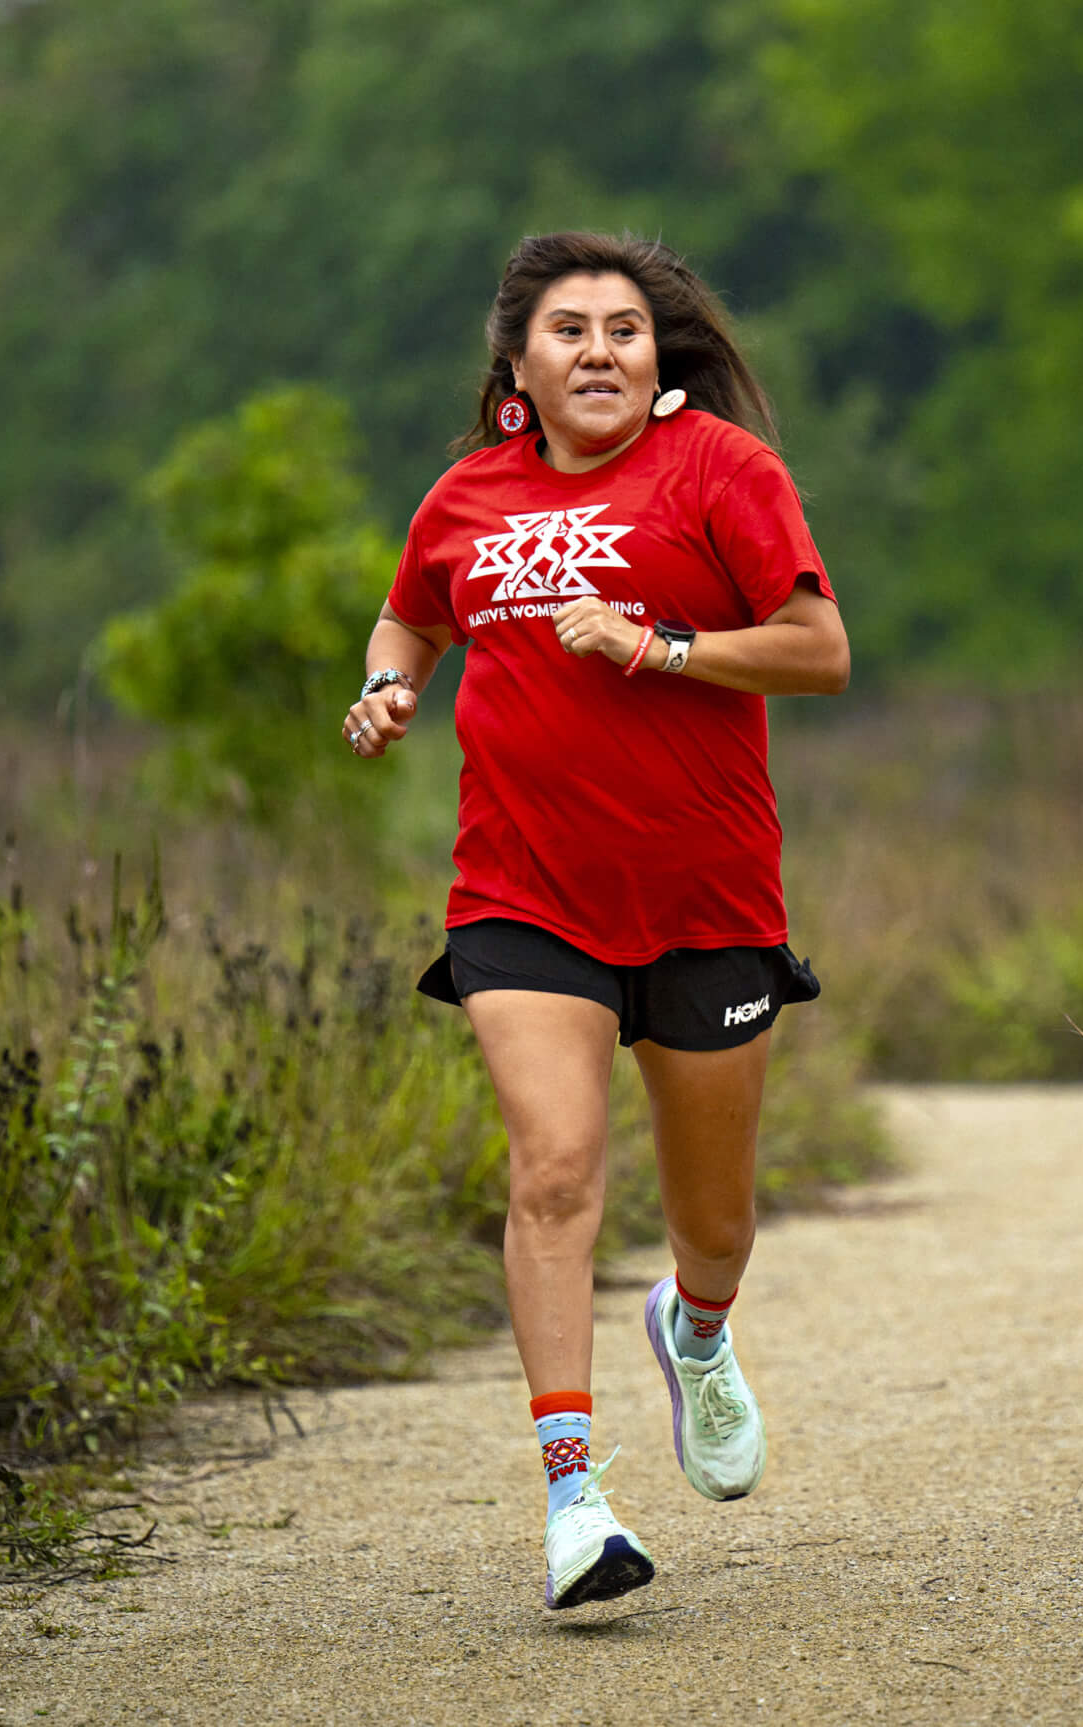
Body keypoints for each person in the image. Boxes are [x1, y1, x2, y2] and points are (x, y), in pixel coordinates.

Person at [340, 231, 849, 1611]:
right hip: (523, 896)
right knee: (554, 1170)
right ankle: (574, 1499)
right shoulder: (465, 498)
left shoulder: (723, 476)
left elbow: (818, 650)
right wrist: (387, 686)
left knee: (716, 1223)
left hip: (703, 899)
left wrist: (657, 646)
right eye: (569, 331)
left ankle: (694, 1331)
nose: (600, 351)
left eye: (624, 329)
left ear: (656, 356)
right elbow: (411, 621)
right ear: (519, 365)